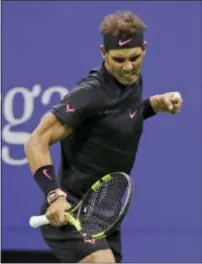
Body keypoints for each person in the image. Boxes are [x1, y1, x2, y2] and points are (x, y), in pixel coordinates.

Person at [24, 11, 183, 263]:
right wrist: (54, 196)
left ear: (145, 49)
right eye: (119, 60)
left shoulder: (130, 79)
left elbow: (120, 118)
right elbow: (36, 140)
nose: (128, 66)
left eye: (135, 57)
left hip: (104, 209)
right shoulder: (90, 93)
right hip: (73, 207)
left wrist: (155, 105)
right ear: (103, 53)